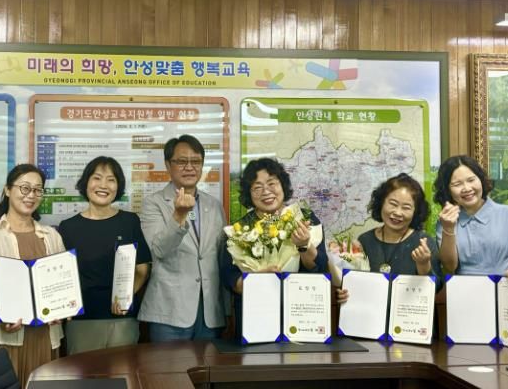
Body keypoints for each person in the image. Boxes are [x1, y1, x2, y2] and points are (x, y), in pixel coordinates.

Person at [0, 164, 65, 388]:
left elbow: (62, 285)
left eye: (37, 189)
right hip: (1, 339)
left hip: (44, 337)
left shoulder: (52, 236)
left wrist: (62, 309)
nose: (31, 195)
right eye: (24, 188)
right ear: (7, 190)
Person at [220, 157, 327, 340]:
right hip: (255, 316)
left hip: (301, 313)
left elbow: (320, 267)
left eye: (272, 183)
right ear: (249, 194)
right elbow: (229, 277)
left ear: (282, 186)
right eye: (257, 187)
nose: (266, 191)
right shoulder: (239, 229)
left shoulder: (304, 218)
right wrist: (257, 280)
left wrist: (304, 246)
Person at [138, 134, 227, 341]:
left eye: (196, 161)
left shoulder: (214, 205)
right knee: (168, 364)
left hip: (210, 312)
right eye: (181, 161)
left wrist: (226, 308)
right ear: (168, 165)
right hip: (169, 311)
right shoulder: (153, 203)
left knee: (209, 363)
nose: (189, 167)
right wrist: (178, 215)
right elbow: (159, 250)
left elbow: (220, 255)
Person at [58, 156, 151, 354]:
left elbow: (142, 268)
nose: (103, 185)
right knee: (83, 373)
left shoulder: (129, 222)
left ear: (118, 186)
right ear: (86, 183)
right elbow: (61, 277)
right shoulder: (68, 227)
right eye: (97, 178)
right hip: (81, 320)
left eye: (111, 180)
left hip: (122, 318)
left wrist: (125, 297)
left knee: (123, 371)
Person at [337, 173, 442, 303]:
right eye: (393, 204)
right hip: (373, 313)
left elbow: (436, 288)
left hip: (408, 313)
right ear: (381, 203)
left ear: (416, 212)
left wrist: (423, 265)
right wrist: (345, 293)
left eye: (406, 208)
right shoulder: (365, 240)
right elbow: (358, 284)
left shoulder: (423, 242)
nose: (398, 212)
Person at [434, 155, 508, 278]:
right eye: (457, 184)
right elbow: (450, 267)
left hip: (503, 286)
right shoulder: (445, 222)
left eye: (471, 180)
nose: (467, 188)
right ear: (447, 190)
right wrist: (448, 228)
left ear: (480, 180)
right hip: (464, 288)